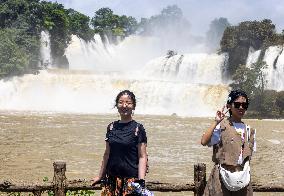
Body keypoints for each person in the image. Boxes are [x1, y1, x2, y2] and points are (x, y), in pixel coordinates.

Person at [92, 90, 149, 195]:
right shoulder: (111, 127)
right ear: (116, 105)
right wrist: (100, 176)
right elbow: (107, 154)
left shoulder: (138, 128)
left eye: (128, 102)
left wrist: (141, 181)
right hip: (111, 181)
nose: (124, 105)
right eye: (121, 102)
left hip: (130, 182)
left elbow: (142, 156)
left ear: (134, 106)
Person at [201, 89, 256, 196]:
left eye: (244, 105)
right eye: (237, 104)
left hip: (242, 178)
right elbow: (204, 141)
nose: (241, 107)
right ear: (229, 106)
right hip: (221, 177)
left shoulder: (250, 130)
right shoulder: (221, 126)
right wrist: (216, 121)